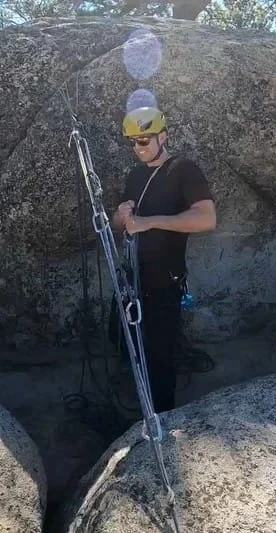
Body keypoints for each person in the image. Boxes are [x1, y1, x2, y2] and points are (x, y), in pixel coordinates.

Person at [110, 106, 216, 412]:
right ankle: (138, 406)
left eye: (144, 140)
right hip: (133, 277)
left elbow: (206, 219)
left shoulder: (184, 170)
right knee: (124, 342)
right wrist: (120, 217)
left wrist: (150, 221)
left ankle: (163, 420)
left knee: (160, 359)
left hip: (163, 283)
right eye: (132, 142)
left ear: (163, 136)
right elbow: (122, 225)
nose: (137, 148)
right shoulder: (135, 175)